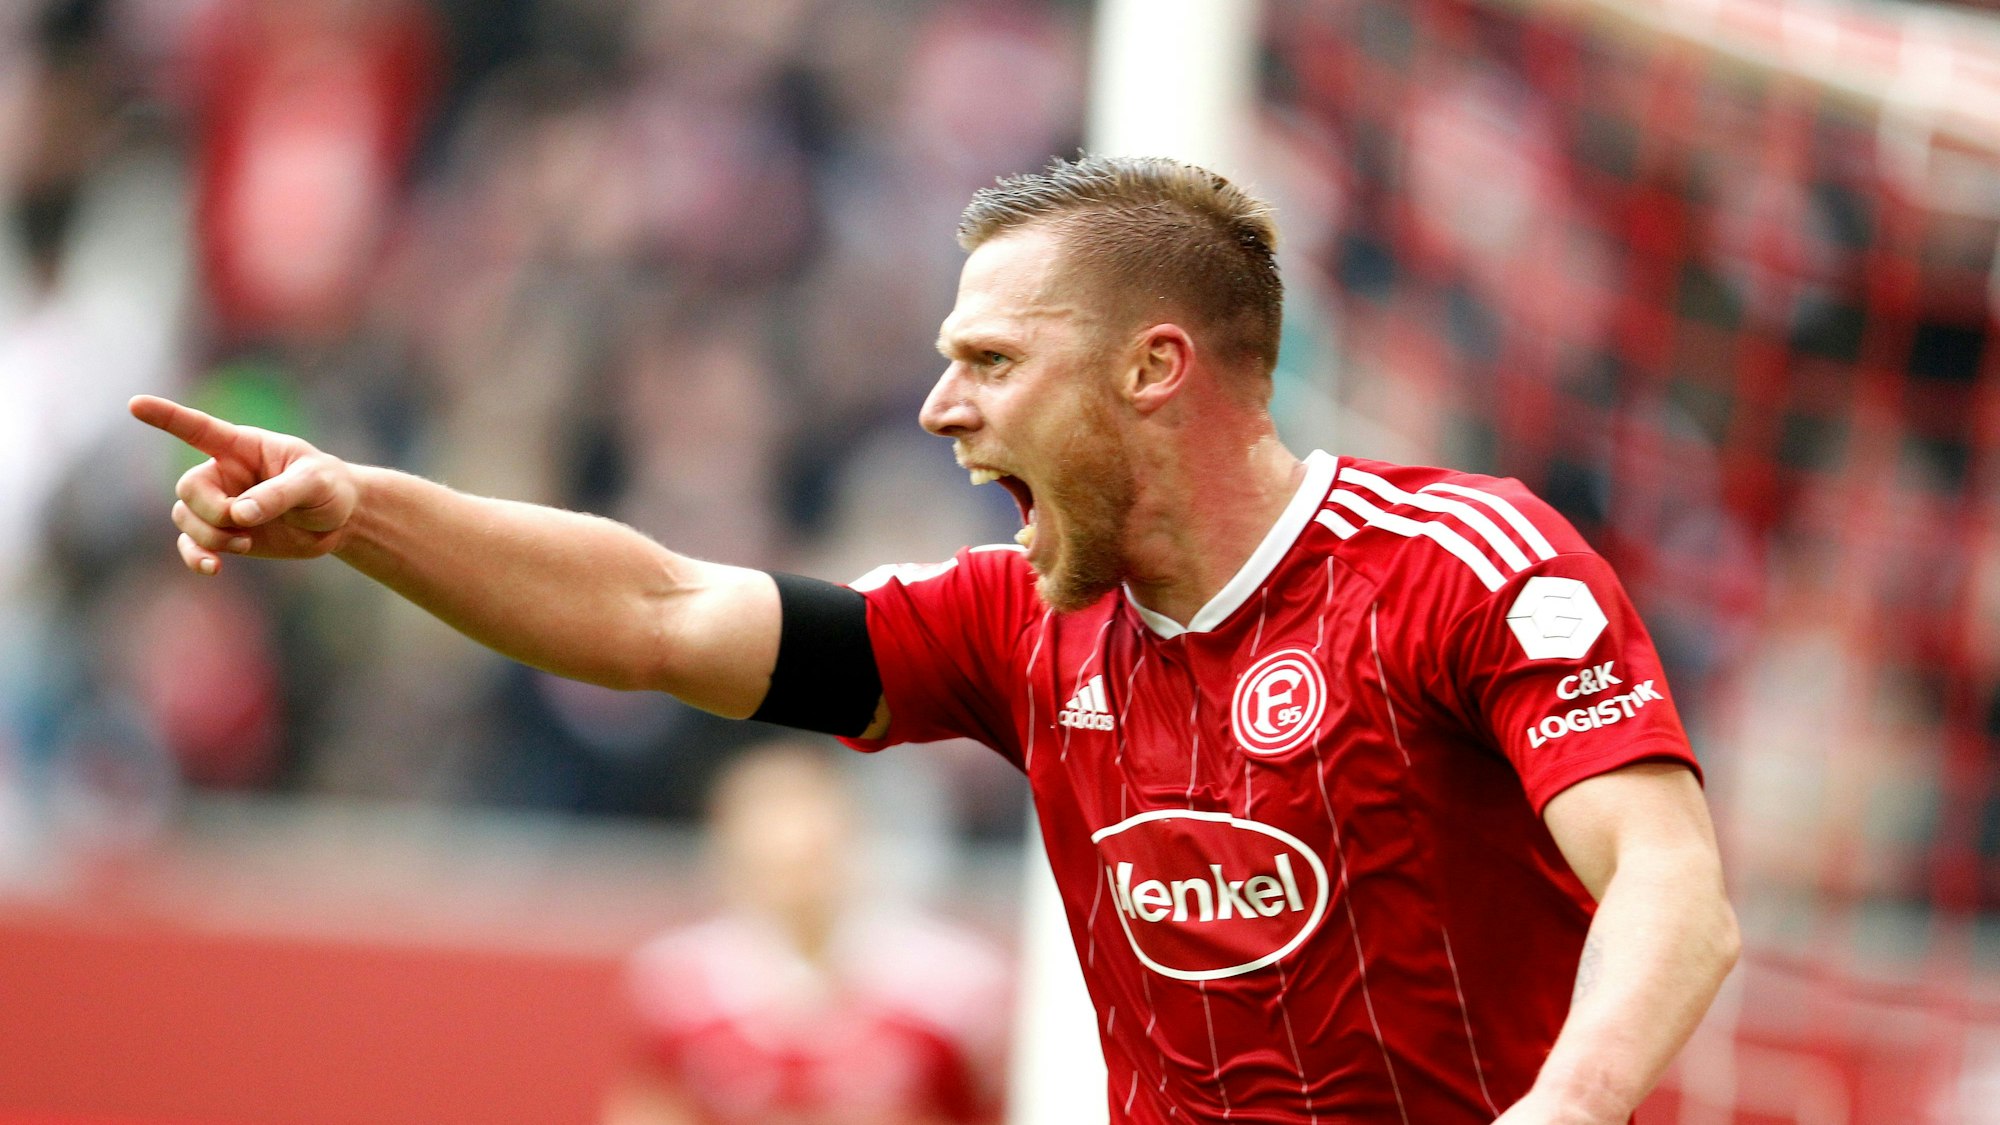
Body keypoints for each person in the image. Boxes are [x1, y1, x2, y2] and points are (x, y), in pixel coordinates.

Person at [131, 154, 1738, 1124]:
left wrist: (1571, 1107)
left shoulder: (1466, 566)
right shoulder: (1018, 628)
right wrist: (366, 517)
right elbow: (657, 608)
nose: (937, 406)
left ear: (1153, 369)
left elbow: (1669, 887)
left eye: (987, 358)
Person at [603, 739, 1008, 1125]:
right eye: (772, 861)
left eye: (810, 856)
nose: (795, 875)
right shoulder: (679, 982)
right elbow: (651, 1110)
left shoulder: (949, 983)